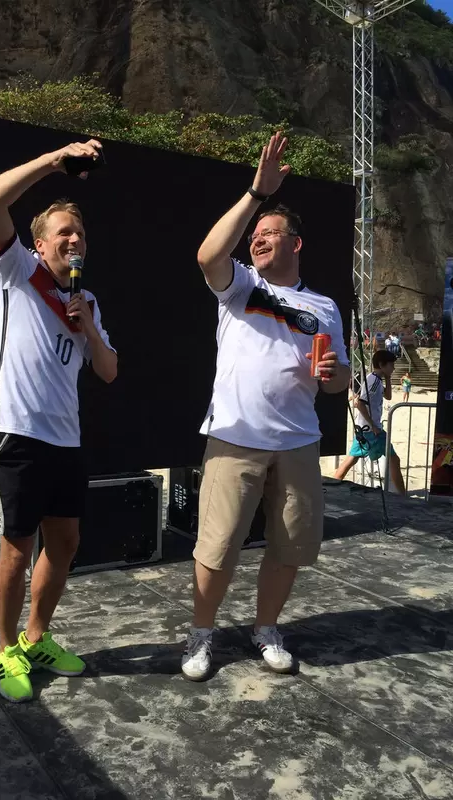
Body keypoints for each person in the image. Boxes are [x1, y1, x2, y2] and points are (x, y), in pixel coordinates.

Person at [181, 131, 351, 682]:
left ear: (295, 243)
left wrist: (335, 375)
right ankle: (201, 635)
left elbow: (338, 381)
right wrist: (256, 194)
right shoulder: (241, 286)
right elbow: (208, 254)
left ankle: (265, 628)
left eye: (270, 234)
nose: (258, 241)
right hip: (234, 436)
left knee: (288, 546)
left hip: (299, 442)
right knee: (218, 545)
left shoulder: (324, 307)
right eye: (255, 235)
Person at [0, 139, 118, 703]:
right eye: (63, 232)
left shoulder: (88, 302)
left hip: (65, 440)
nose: (74, 239)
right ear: (39, 244)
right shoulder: (16, 271)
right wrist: (55, 161)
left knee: (65, 543)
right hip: (15, 434)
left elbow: (108, 372)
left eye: (79, 233)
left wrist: (87, 328)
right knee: (17, 548)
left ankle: (37, 639)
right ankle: (7, 647)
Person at [334, 350, 406, 494]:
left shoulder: (377, 380)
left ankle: (332, 484)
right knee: (393, 459)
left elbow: (389, 396)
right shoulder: (373, 380)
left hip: (368, 429)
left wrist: (388, 378)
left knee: (352, 459)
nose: (393, 368)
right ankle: (403, 496)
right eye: (391, 364)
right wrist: (373, 425)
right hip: (370, 430)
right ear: (381, 364)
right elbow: (360, 403)